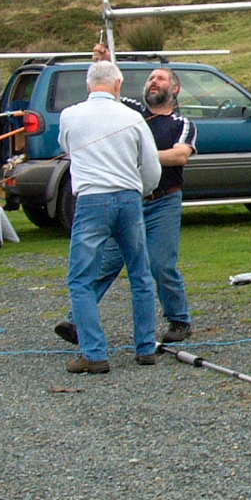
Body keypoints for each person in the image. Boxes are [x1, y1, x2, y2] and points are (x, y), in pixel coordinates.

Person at [56, 47, 197, 348]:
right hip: (129, 202)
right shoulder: (132, 112)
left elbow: (180, 155)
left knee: (160, 264)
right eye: (150, 79)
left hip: (163, 201)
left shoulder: (182, 124)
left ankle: (179, 319)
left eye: (160, 78)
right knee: (106, 263)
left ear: (175, 88)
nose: (153, 82)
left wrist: (140, 152)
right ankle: (77, 320)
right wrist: (102, 63)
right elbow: (107, 93)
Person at [59, 60, 162, 374]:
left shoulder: (70, 115)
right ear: (118, 86)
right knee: (140, 275)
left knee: (81, 280)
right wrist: (142, 190)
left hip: (91, 200)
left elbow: (66, 147)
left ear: (89, 85)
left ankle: (94, 353)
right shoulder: (133, 118)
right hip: (130, 199)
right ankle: (145, 347)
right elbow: (152, 168)